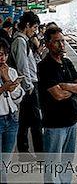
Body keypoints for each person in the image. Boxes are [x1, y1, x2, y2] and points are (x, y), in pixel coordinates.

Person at [38, 26, 77, 183]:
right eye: (57, 42)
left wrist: (65, 86)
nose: (62, 45)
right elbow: (58, 95)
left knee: (66, 163)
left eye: (63, 41)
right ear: (48, 44)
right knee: (53, 166)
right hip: (55, 125)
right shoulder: (45, 66)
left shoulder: (67, 62)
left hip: (72, 122)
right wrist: (72, 88)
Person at [11, 11, 42, 161]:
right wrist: (29, 86)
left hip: (27, 85)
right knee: (36, 121)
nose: (35, 31)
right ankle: (42, 155)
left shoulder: (22, 40)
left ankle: (24, 152)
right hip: (28, 86)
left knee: (24, 120)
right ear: (27, 25)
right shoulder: (20, 41)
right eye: (34, 28)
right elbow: (22, 66)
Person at [0, 38, 25, 182]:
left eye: (5, 54)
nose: (2, 58)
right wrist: (3, 88)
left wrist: (7, 78)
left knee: (5, 163)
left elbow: (18, 97)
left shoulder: (11, 72)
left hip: (12, 119)